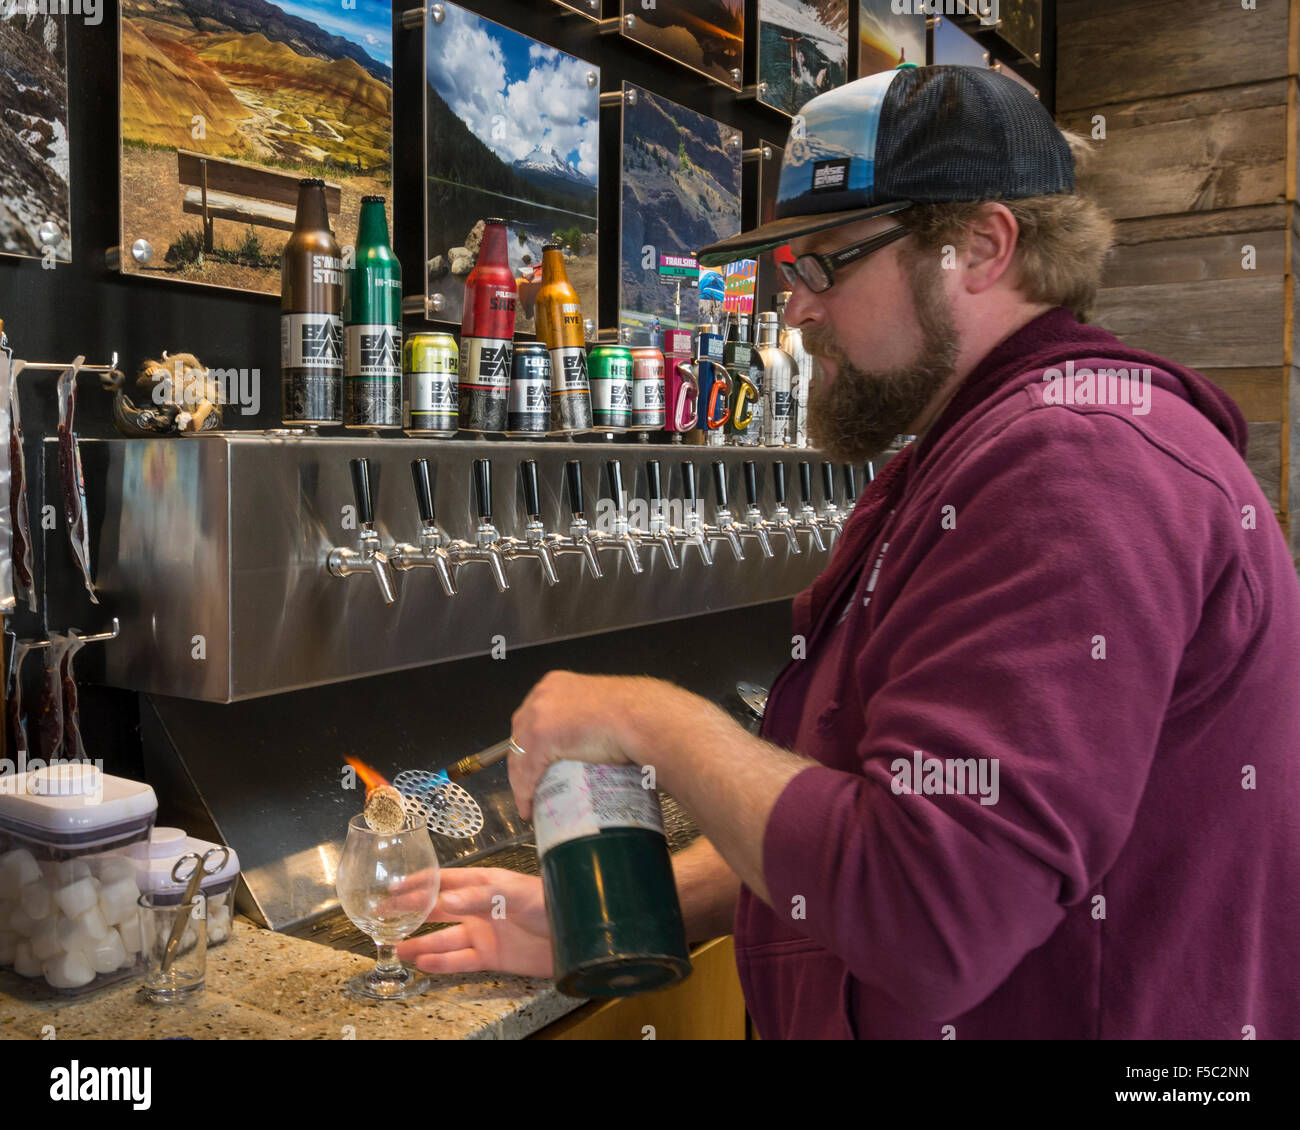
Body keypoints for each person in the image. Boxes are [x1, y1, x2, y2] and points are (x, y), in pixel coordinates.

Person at [398, 65, 1300, 1039]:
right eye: (790, 270)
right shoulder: (978, 450)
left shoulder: (1074, 465)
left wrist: (645, 717)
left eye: (825, 262)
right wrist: (641, 899)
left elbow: (929, 904)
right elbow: (873, 812)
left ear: (981, 247)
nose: (795, 309)